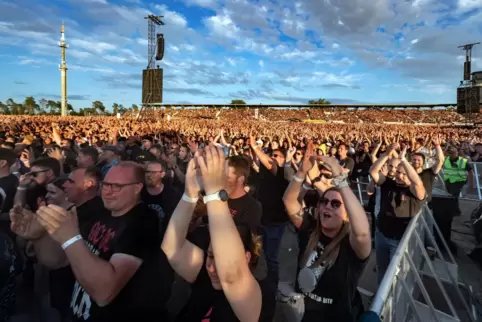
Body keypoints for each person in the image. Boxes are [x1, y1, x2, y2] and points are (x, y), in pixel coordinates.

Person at [33, 162, 173, 321]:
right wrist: (36, 236)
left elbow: (104, 293)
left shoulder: (143, 221)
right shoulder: (101, 213)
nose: (107, 191)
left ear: (137, 188)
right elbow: (58, 261)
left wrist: (70, 238)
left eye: (116, 186)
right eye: (105, 185)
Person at [162, 145, 263, 321]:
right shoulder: (206, 275)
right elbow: (171, 247)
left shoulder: (252, 295)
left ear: (246, 258)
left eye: (218, 259)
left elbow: (232, 276)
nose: (211, 267)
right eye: (210, 257)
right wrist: (190, 193)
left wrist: (215, 194)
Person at [282, 143, 371, 322]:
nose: (327, 206)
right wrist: (301, 172)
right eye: (324, 201)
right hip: (306, 315)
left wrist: (339, 178)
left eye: (335, 204)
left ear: (347, 214)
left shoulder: (351, 244)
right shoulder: (310, 230)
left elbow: (362, 233)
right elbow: (289, 201)